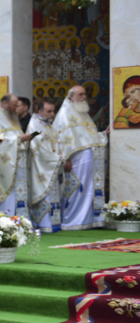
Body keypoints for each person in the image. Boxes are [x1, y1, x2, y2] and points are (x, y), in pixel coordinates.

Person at [55, 85, 108, 230]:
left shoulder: (83, 112)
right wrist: (64, 159)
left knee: (88, 189)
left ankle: (89, 219)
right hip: (76, 161)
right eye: (81, 94)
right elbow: (62, 139)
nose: (84, 97)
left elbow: (89, 137)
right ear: (71, 96)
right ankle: (73, 221)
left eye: (85, 94)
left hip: (88, 160)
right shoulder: (65, 113)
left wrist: (103, 134)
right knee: (77, 190)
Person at [0, 94, 34, 217]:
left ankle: (20, 221)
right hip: (4, 165)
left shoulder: (10, 118)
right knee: (8, 194)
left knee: (19, 192)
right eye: (14, 105)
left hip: (17, 161)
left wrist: (22, 139)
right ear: (5, 104)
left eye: (18, 105)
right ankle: (7, 220)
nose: (16, 108)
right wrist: (19, 139)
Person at [26, 99, 63, 233]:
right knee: (44, 193)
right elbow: (36, 147)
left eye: (53, 111)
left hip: (52, 166)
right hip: (40, 168)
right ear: (40, 111)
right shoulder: (34, 124)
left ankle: (53, 223)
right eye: (49, 111)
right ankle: (43, 224)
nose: (52, 114)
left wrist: (60, 155)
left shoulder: (50, 126)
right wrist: (56, 158)